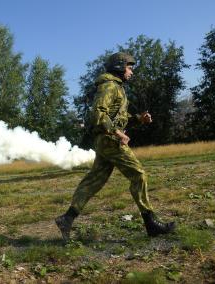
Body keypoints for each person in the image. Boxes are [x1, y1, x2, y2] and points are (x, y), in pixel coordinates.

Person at [55, 52, 175, 241]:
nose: (131, 72)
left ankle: (67, 218)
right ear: (119, 67)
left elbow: (119, 118)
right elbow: (98, 114)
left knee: (94, 180)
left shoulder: (116, 87)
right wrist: (117, 132)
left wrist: (138, 119)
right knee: (139, 175)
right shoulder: (110, 86)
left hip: (105, 139)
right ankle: (151, 223)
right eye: (129, 67)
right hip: (110, 140)